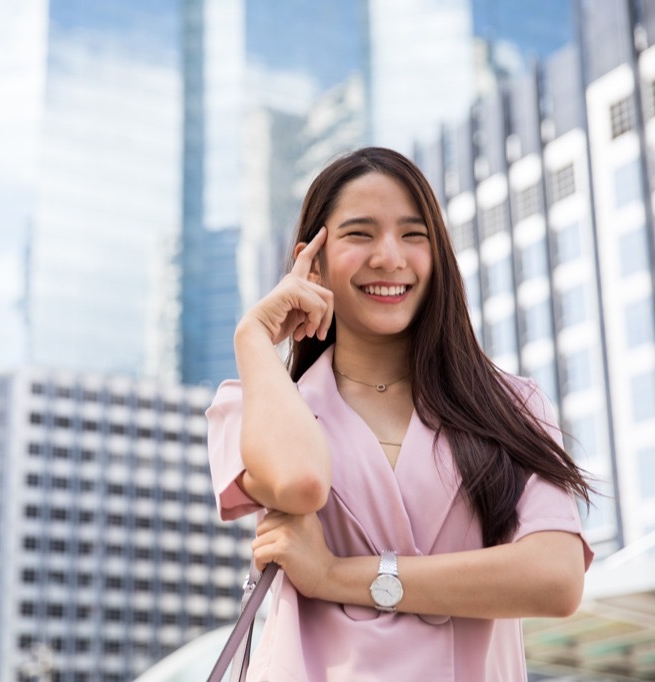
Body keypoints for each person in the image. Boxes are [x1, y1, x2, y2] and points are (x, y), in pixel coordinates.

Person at [206, 147, 595, 681]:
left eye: (414, 235)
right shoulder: (253, 407)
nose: (390, 256)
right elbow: (299, 483)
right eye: (360, 234)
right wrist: (252, 336)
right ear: (311, 262)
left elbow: (556, 577)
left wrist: (336, 576)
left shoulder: (511, 405)